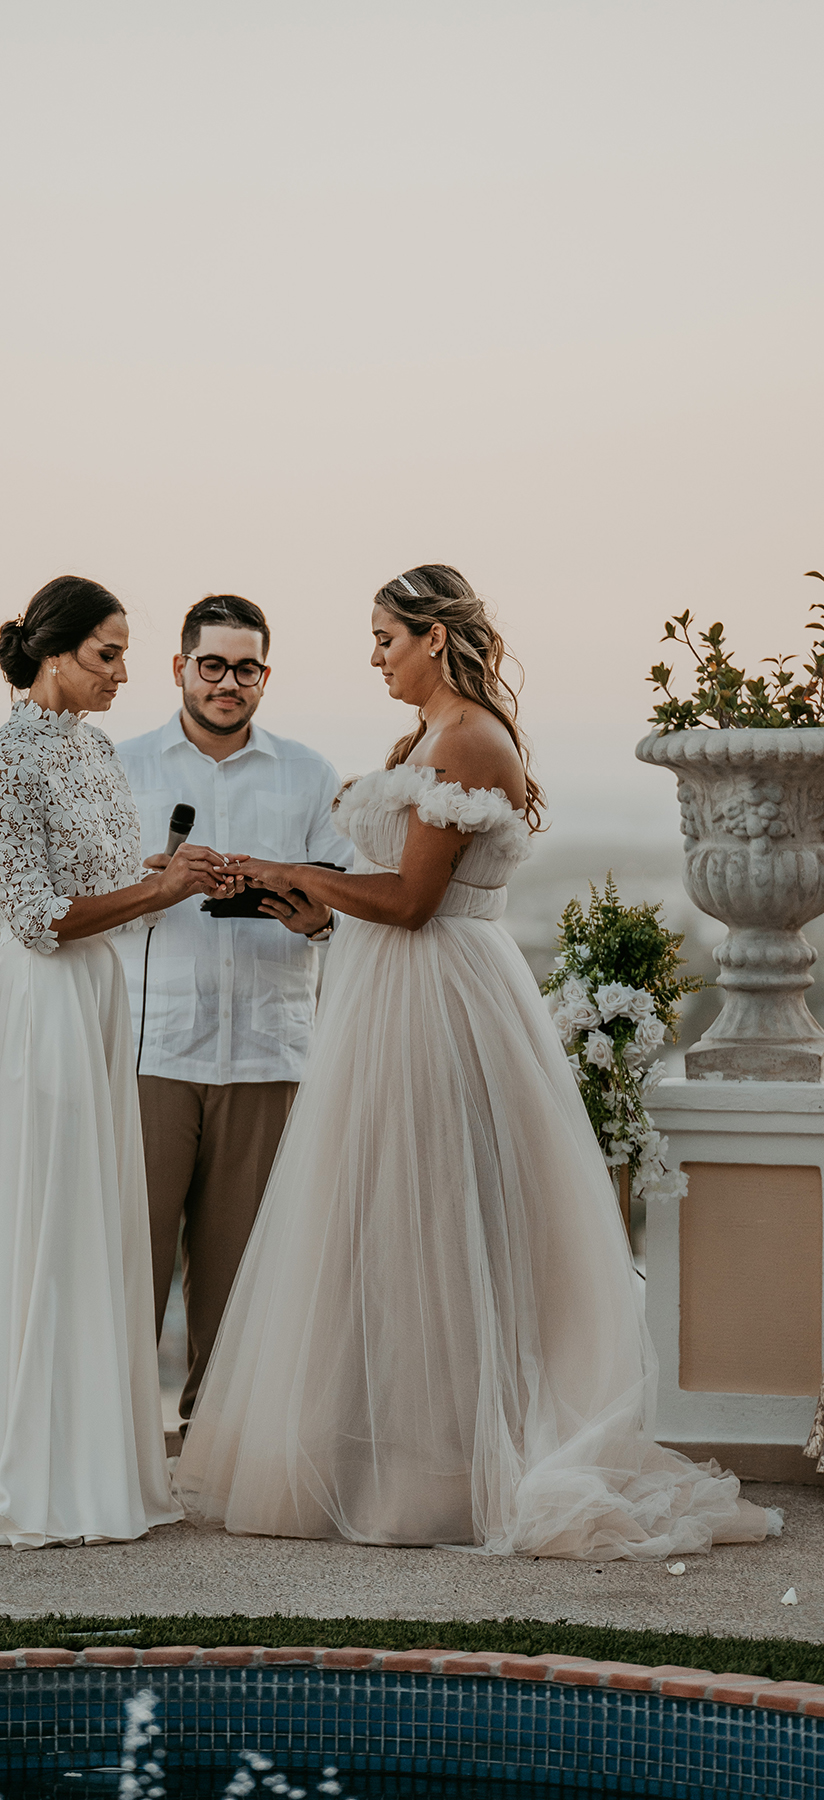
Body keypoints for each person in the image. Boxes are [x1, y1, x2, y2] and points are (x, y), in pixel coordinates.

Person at [175, 564, 782, 1561]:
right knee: (380, 1217)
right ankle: (386, 1458)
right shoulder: (425, 739)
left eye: (384, 638)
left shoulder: (465, 741)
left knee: (434, 1214)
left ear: (432, 637)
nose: (374, 657)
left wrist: (296, 870)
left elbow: (416, 902)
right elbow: (391, 899)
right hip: (390, 991)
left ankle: (447, 1471)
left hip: (438, 999)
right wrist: (319, 915)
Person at [0, 575, 230, 1548]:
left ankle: (93, 1467)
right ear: (53, 653)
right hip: (44, 1006)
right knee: (46, 1220)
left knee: (95, 1227)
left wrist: (173, 878)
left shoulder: (91, 751)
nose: (126, 673)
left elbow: (112, 882)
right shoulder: (5, 766)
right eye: (107, 654)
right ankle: (26, 1474)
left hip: (99, 997)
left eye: (126, 653)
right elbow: (38, 918)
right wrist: (157, 896)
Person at [115, 595, 352, 1431]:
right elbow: (84, 907)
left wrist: (312, 910)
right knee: (125, 1274)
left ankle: (219, 1454)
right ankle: (116, 1454)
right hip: (151, 1052)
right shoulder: (122, 765)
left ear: (265, 676)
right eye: (210, 665)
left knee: (243, 1283)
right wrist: (158, 884)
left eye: (244, 668)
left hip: (266, 1053)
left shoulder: (310, 775)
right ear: (179, 667)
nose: (227, 682)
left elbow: (352, 898)